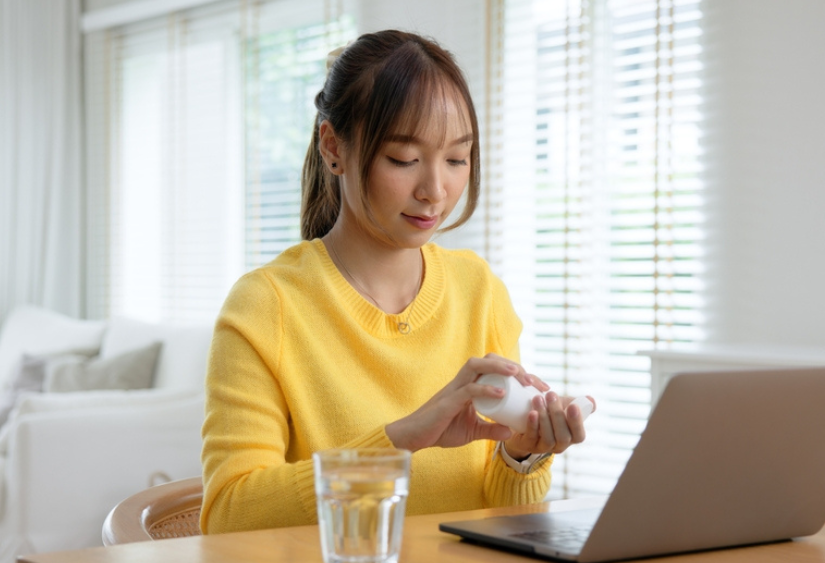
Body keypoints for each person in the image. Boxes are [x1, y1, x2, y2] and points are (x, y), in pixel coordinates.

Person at [200, 29, 593, 534]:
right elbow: (228, 517)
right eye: (403, 160)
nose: (435, 190)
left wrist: (522, 456)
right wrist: (401, 439)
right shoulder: (266, 307)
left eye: (456, 159)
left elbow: (502, 518)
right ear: (333, 146)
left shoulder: (479, 291)